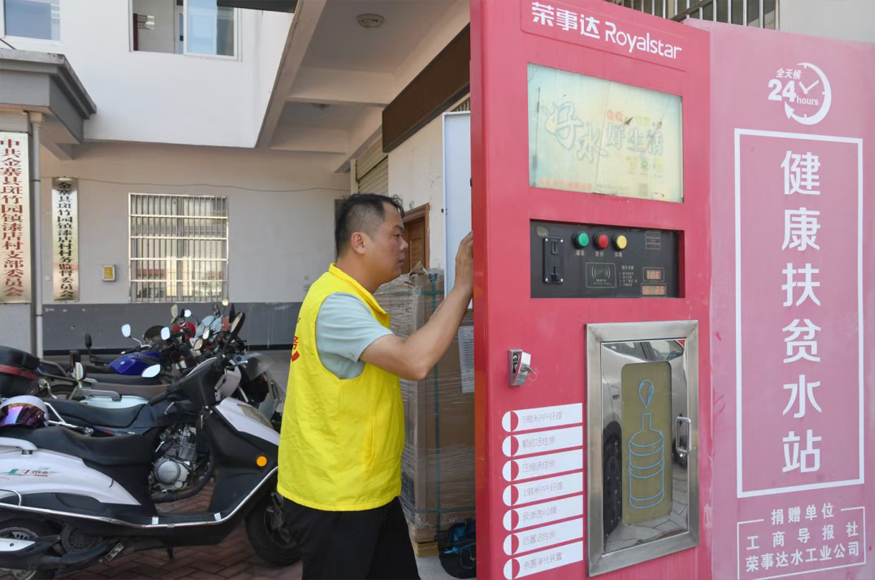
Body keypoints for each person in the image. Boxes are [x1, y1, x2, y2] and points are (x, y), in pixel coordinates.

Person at [278, 193, 474, 579]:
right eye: (396, 234)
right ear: (360, 242)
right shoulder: (336, 304)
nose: (404, 246)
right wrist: (463, 286)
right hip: (335, 500)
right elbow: (413, 360)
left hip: (368, 492)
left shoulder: (350, 298)